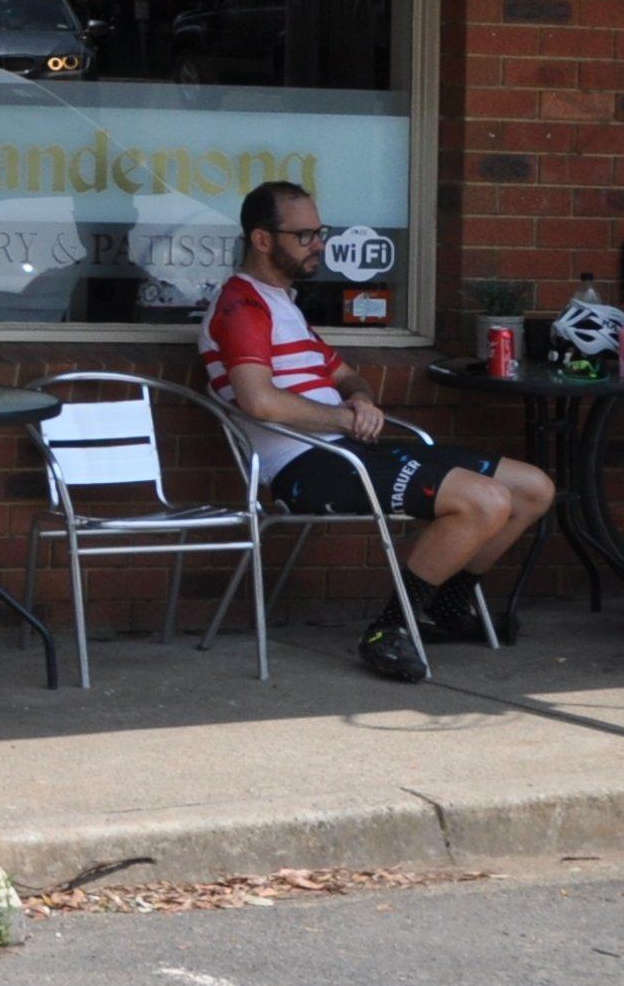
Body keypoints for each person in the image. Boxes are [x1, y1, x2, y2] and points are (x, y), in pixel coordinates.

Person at [207, 178, 551, 682]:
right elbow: (259, 400)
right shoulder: (242, 307)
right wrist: (343, 418)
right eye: (304, 236)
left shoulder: (284, 305)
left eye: (320, 232)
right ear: (262, 239)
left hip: (349, 451)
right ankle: (388, 630)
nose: (318, 244)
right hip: (304, 467)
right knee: (485, 501)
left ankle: (445, 608)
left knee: (532, 489)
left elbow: (347, 375)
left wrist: (361, 399)